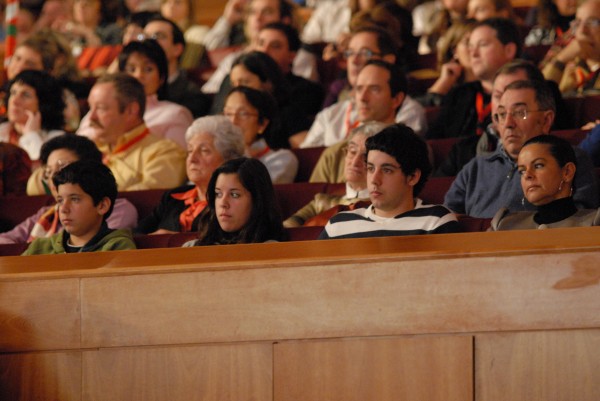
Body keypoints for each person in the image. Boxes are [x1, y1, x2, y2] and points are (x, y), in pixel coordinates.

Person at [444, 79, 598, 218]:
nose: (508, 123)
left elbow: (581, 218)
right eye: (502, 114)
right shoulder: (475, 168)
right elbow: (447, 220)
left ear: (546, 120)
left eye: (519, 113)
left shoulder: (571, 158)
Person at [434, 59, 572, 177]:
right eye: (498, 95)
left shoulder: (563, 155)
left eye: (515, 92)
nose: (503, 103)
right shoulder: (462, 152)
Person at [318, 124, 460, 239]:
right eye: (370, 168)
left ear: (412, 177)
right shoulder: (338, 225)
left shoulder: (436, 222)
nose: (374, 180)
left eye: (387, 170)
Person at [1, 134, 138, 245]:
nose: (54, 177)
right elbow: (5, 239)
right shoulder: (47, 213)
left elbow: (95, 246)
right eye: (49, 171)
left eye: (62, 168)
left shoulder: (118, 208)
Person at [136, 116, 245, 234]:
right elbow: (137, 235)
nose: (192, 159)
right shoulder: (173, 197)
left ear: (228, 159)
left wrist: (173, 241)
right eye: (190, 151)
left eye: (204, 151)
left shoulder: (231, 202)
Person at [79, 40, 194, 149]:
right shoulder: (98, 111)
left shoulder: (175, 114)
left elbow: (176, 162)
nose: (138, 75)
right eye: (131, 69)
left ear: (161, 78)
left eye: (148, 69)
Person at [81, 73, 187, 191]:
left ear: (131, 111)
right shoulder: (84, 151)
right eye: (90, 108)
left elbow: (146, 200)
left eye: (101, 108)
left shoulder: (164, 153)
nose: (91, 117)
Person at [301, 50, 427, 148]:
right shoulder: (335, 153)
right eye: (359, 89)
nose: (362, 98)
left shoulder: (409, 148)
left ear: (397, 99)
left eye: (374, 89)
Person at [427, 17, 520, 139]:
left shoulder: (534, 91)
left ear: (509, 50)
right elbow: (435, 140)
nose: (473, 53)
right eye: (470, 46)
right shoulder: (459, 95)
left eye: (482, 45)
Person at [22, 160, 137, 255]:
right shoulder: (39, 248)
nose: (63, 209)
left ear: (102, 205)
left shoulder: (118, 247)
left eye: (75, 199)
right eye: (60, 200)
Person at [284, 122, 387, 227]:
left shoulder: (385, 207)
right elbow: (286, 230)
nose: (355, 162)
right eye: (352, 151)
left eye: (366, 156)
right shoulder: (321, 202)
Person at [491, 135, 600, 229]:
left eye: (538, 165)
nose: (527, 175)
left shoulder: (594, 224)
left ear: (567, 172)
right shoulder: (504, 225)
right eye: (522, 171)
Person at [184, 157, 286, 246]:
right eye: (218, 194)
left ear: (257, 201)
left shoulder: (271, 250)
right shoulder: (191, 248)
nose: (223, 203)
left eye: (234, 195)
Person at [223, 86, 298, 183]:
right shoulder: (214, 155)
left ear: (262, 124)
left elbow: (255, 191)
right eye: (228, 113)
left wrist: (242, 155)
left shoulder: (282, 159)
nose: (233, 121)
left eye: (243, 114)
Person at [143, 15, 211, 117]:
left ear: (177, 49)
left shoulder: (191, 96)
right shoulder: (132, 90)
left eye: (158, 36)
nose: (148, 42)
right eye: (145, 37)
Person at [0, 70, 66, 161]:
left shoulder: (57, 139)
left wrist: (31, 135)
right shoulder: (2, 130)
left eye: (25, 95)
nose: (14, 101)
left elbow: (42, 168)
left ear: (43, 104)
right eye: (13, 92)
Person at [542, 0, 600, 94]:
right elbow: (539, 97)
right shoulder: (569, 67)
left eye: (592, 22)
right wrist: (561, 60)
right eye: (577, 23)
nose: (582, 31)